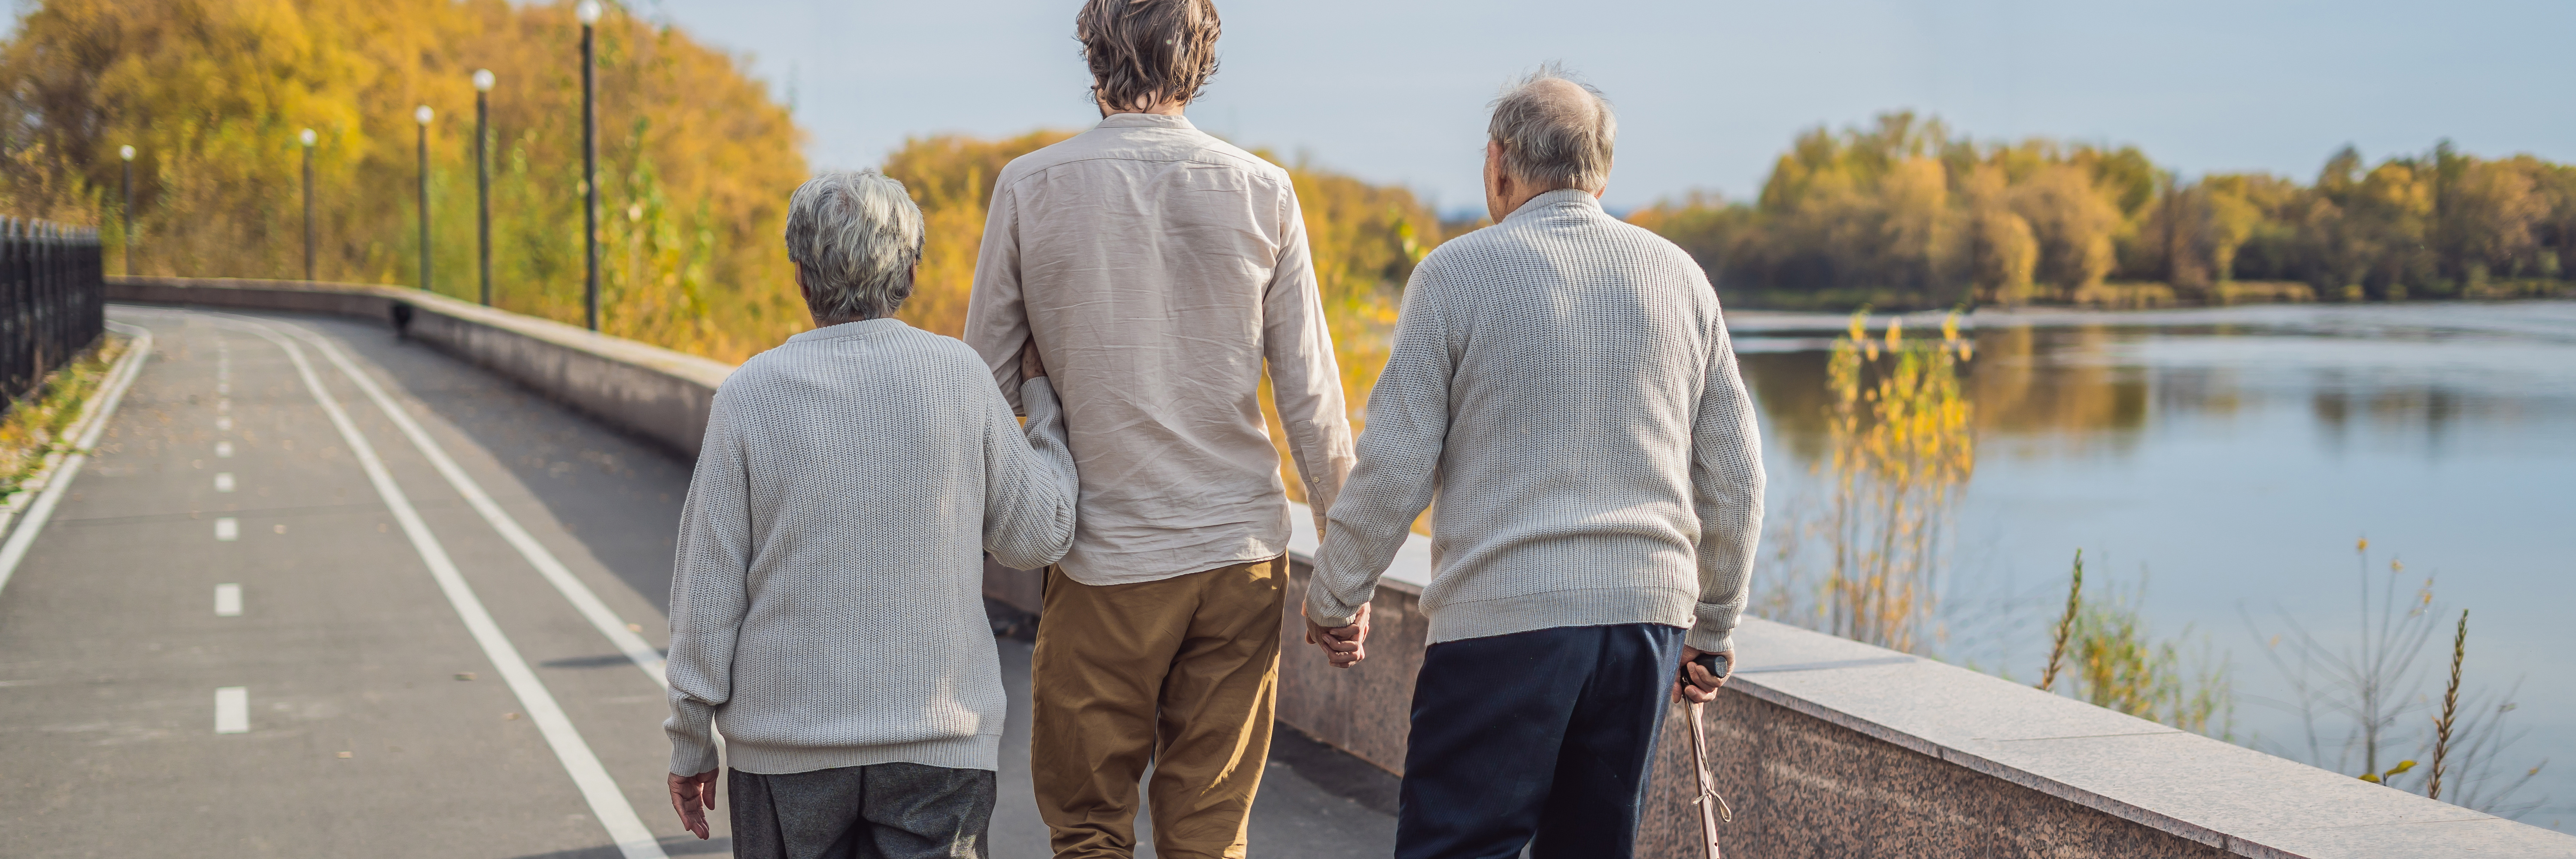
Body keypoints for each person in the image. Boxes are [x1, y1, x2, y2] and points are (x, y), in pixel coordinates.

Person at [1300, 68, 1765, 859]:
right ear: (1602, 170)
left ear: (1499, 164)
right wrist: (1713, 631)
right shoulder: (1679, 278)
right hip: (1641, 627)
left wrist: (1336, 596)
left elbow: (1395, 466)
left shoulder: (1454, 276)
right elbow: (1738, 476)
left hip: (1501, 630)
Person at [960, 0, 1355, 855]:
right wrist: (1346, 575)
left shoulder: (1032, 186)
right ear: (1201, 59)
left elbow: (981, 386)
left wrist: (997, 524)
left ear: (1093, 53)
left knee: (1091, 824)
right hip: (1239, 558)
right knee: (1210, 832)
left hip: (1105, 559)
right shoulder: (1263, 190)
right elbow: (1313, 400)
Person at [662, 168, 1080, 859]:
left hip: (786, 751)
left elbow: (706, 595)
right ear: (912, 271)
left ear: (800, 276)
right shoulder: (960, 378)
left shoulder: (749, 395)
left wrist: (689, 740)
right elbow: (1039, 535)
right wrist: (1043, 408)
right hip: (938, 745)